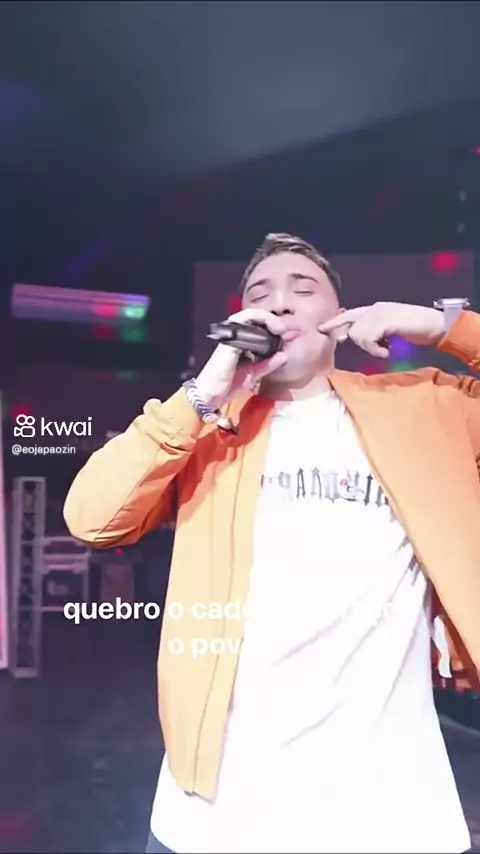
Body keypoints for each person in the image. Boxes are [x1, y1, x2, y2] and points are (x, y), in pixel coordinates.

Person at [63, 233, 480, 854]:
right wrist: (203, 394)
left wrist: (434, 324)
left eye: (302, 289)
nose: (279, 303)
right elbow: (92, 517)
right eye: (260, 294)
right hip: (216, 818)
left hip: (392, 812)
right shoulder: (208, 428)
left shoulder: (422, 406)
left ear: (340, 318)